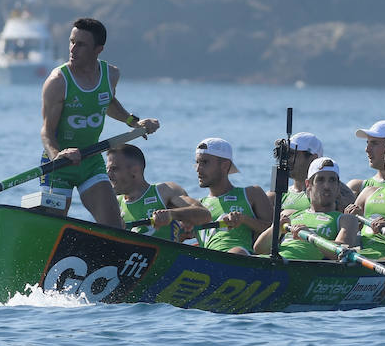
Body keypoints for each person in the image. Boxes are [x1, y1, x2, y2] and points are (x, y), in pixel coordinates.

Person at [40, 17, 160, 227]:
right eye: (71, 41)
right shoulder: (58, 81)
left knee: (114, 226)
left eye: (81, 44)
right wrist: (58, 156)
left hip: (91, 160)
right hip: (59, 165)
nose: (73, 49)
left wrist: (134, 122)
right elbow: (46, 132)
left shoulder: (111, 75)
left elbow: (108, 102)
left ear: (98, 49)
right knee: (52, 228)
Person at [253, 157, 360, 259]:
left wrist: (310, 237)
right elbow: (259, 249)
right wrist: (275, 229)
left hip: (300, 268)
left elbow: (342, 252)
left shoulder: (346, 219)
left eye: (332, 180)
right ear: (308, 185)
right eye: (320, 180)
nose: (327, 186)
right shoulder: (289, 214)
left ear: (338, 187)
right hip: (275, 261)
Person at [186, 138, 273, 255]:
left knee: (236, 252)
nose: (198, 169)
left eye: (205, 162)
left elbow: (275, 232)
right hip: (207, 260)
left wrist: (244, 219)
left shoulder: (252, 194)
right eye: (197, 162)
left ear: (225, 165)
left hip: (241, 257)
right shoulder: (197, 206)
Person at [105, 144, 196, 241]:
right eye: (107, 169)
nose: (108, 175)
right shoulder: (115, 204)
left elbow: (203, 214)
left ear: (134, 170)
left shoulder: (165, 191)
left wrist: (173, 215)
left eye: (114, 169)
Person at [267, 132, 355, 213]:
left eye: (291, 154)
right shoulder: (276, 195)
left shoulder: (338, 193)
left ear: (313, 159)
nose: (286, 159)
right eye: (286, 154)